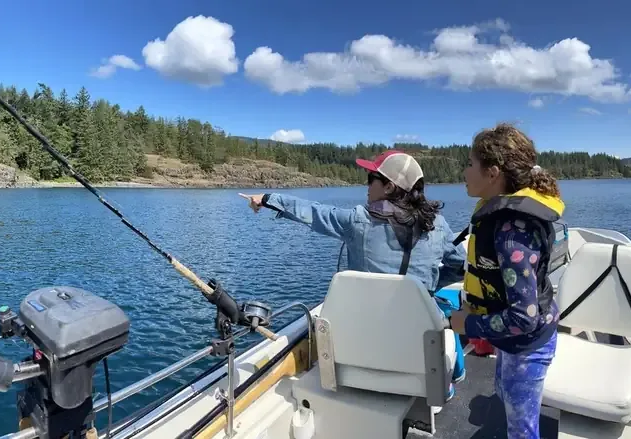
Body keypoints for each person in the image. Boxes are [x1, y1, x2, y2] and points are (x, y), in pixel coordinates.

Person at [240, 150, 470, 385]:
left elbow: (314, 212)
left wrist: (267, 198)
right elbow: (463, 268)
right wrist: (425, 287)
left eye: (371, 178)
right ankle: (453, 378)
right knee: (443, 310)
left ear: (389, 187)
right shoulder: (438, 226)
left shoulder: (358, 221)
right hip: (418, 350)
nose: (366, 186)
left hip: (364, 342)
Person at [448, 123, 566, 439]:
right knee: (503, 394)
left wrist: (468, 325)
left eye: (470, 163)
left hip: (527, 346)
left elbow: (523, 318)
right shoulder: (501, 220)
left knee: (522, 431)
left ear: (493, 173)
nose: (464, 171)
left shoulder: (513, 235)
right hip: (512, 344)